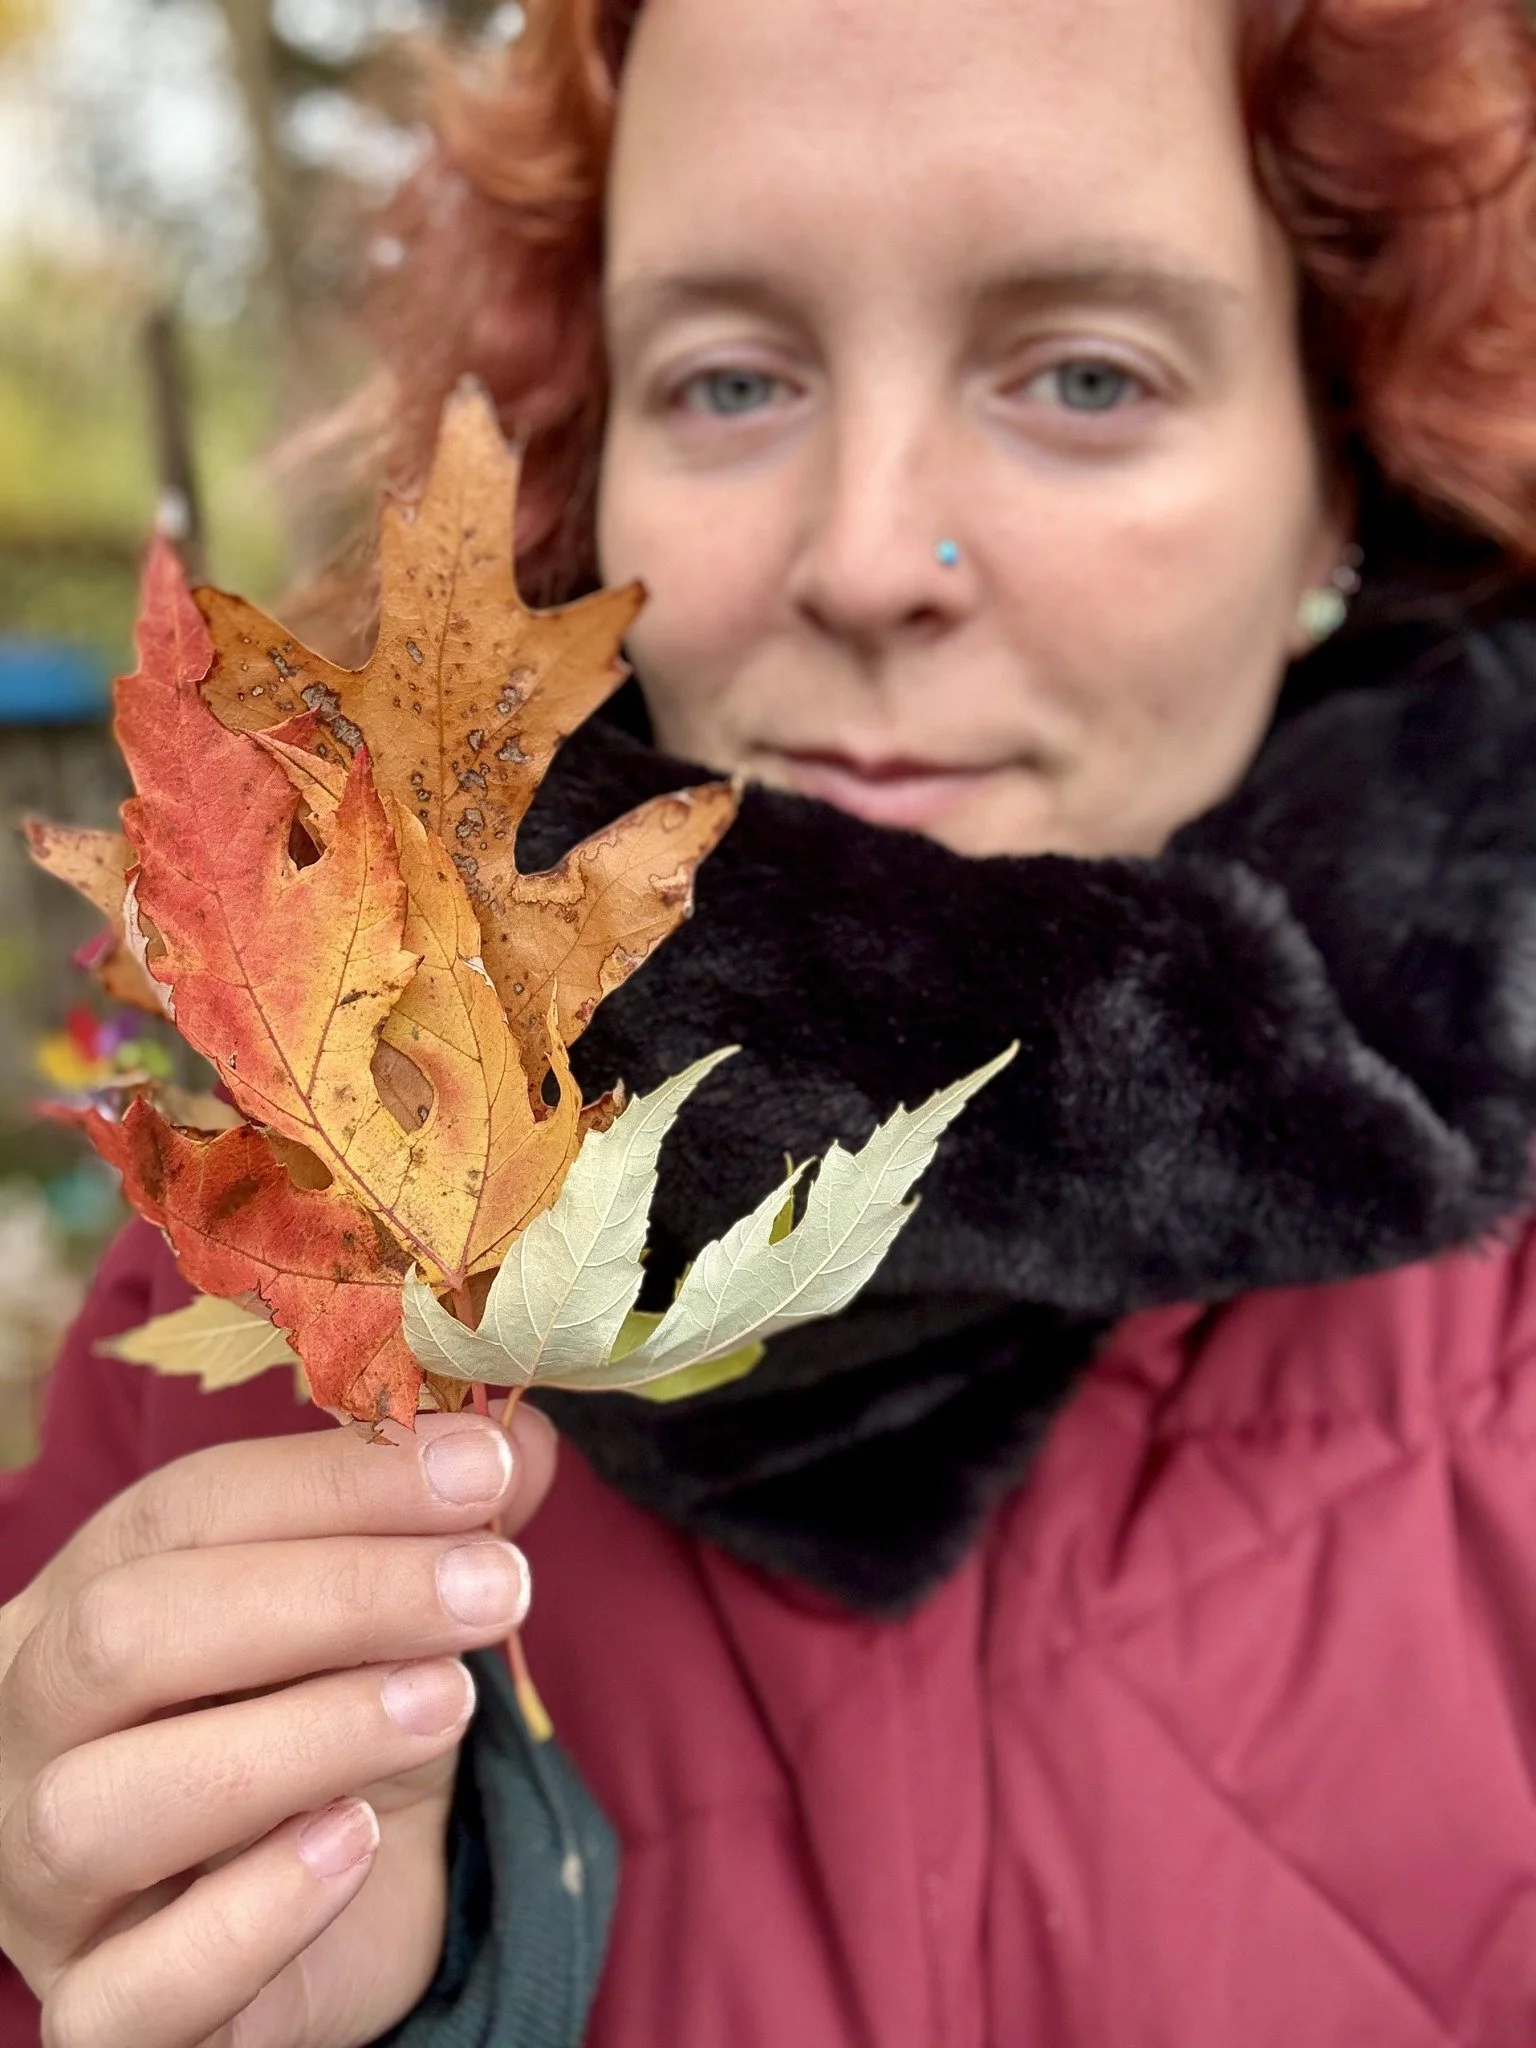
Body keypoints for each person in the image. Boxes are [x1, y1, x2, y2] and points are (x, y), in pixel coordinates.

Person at [4, 0, 1536, 2039]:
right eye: (731, 377)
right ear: (580, 452)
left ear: (1338, 466)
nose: (863, 557)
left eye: (1085, 373)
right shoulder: (277, 1263)